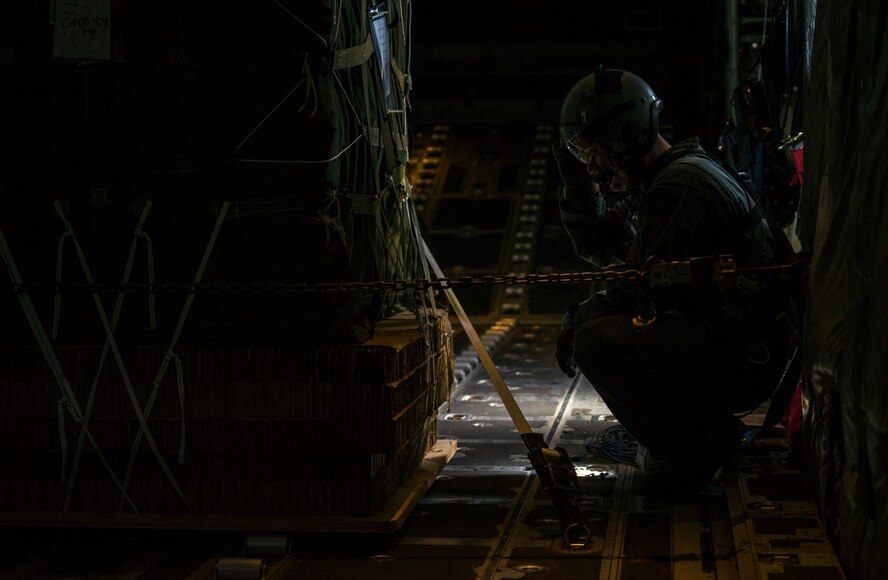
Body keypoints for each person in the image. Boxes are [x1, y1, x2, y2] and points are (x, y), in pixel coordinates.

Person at [552, 68, 796, 497]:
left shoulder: (678, 186)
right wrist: (577, 190)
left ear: (622, 137)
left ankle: (695, 450)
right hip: (739, 342)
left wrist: (577, 320)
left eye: (593, 152)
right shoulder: (669, 175)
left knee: (596, 341)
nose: (590, 165)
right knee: (599, 326)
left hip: (743, 353)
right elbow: (603, 247)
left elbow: (640, 286)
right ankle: (703, 434)